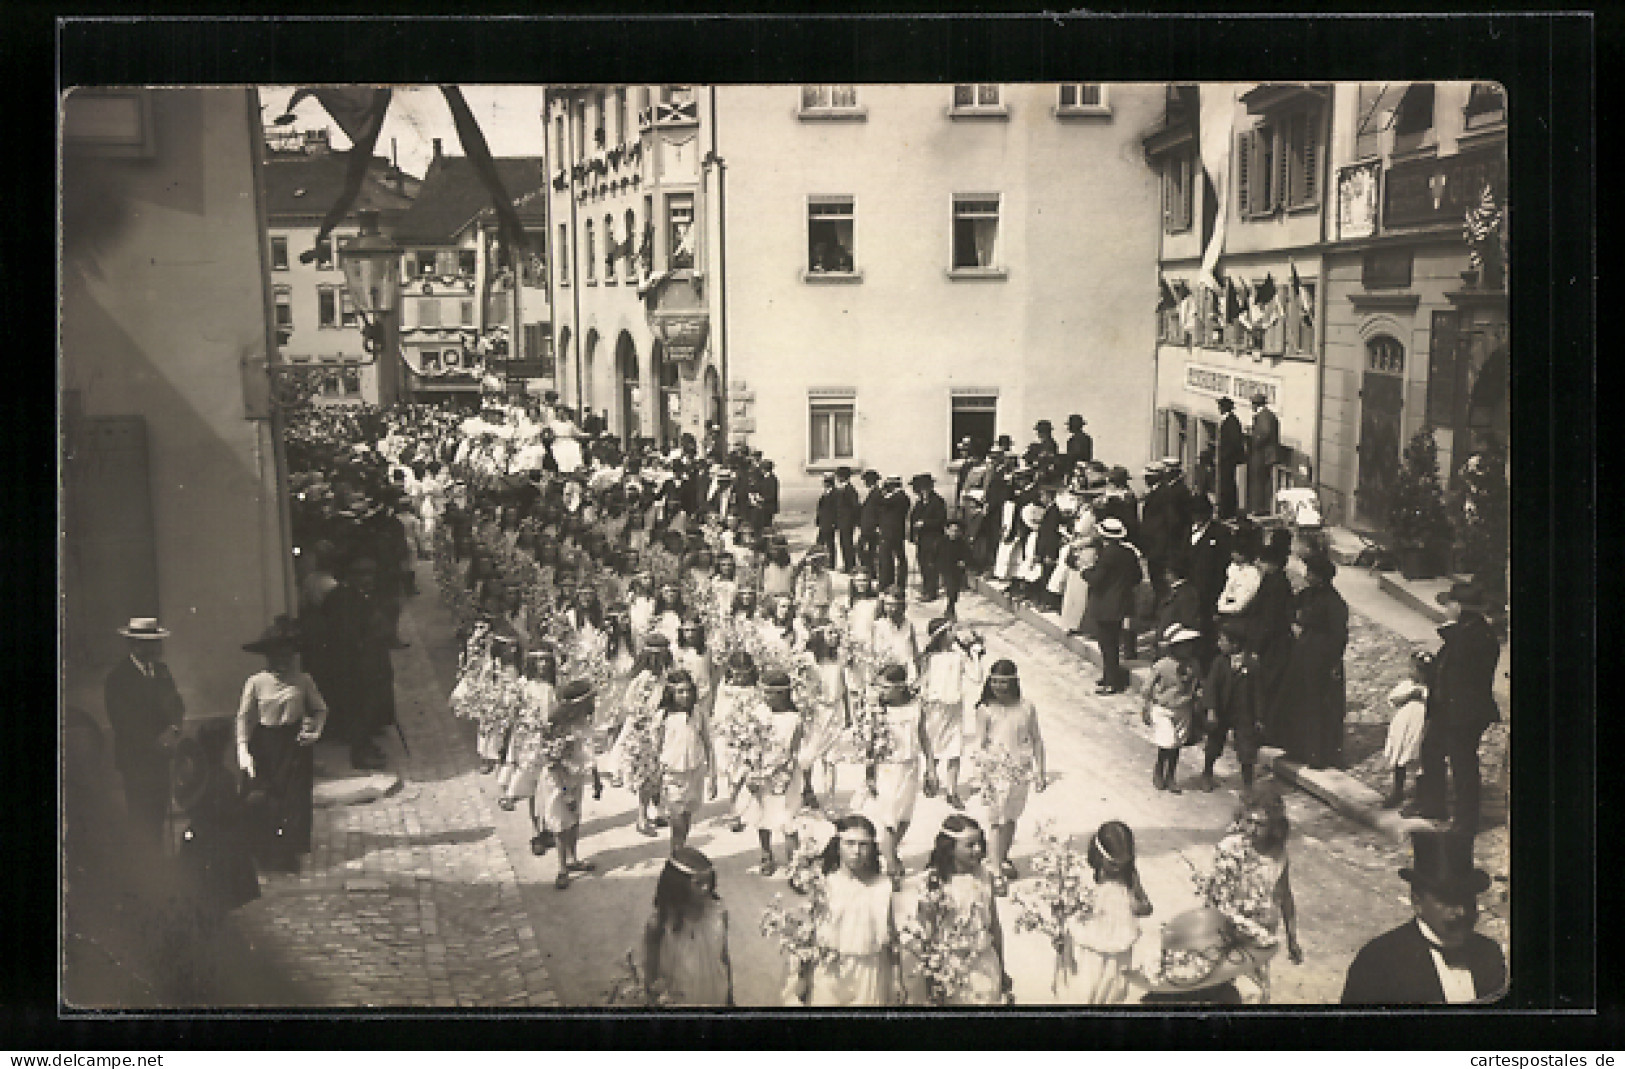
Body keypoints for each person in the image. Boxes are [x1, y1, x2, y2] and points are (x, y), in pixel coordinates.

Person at [1342, 830, 1507, 1005]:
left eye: (1468, 899)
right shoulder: (1379, 961)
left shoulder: (1489, 953)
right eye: (1448, 900)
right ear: (1417, 901)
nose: (1462, 912)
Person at [1405, 582, 1503, 837]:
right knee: (1431, 750)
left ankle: (1465, 823)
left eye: (1449, 604)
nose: (1446, 608)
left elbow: (1465, 675)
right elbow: (1449, 670)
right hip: (1447, 708)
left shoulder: (1475, 637)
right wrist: (1429, 665)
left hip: (1464, 714)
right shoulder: (1465, 632)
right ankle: (1433, 805)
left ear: (1458, 607)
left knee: (1463, 766)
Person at [235, 616, 326, 871]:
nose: (283, 660)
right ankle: (265, 852)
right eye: (277, 655)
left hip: (295, 745)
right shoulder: (255, 682)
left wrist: (314, 731)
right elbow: (243, 717)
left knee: (294, 799)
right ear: (268, 656)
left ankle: (289, 853)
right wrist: (243, 749)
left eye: (288, 654)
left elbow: (320, 709)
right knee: (266, 797)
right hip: (265, 744)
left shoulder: (303, 680)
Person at [902, 814, 1010, 1005]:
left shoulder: (985, 876)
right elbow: (926, 933)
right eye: (970, 845)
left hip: (985, 965)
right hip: (948, 970)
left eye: (980, 843)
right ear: (950, 848)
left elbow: (994, 926)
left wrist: (1002, 967)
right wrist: (931, 978)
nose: (977, 850)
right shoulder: (933, 882)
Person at [795, 815, 898, 1007]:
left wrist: (897, 977)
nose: (856, 851)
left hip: (868, 971)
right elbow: (807, 936)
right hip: (828, 969)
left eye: (863, 845)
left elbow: (892, 936)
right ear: (837, 845)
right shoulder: (823, 883)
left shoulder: (882, 885)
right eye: (849, 843)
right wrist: (803, 977)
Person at [104, 617, 185, 852]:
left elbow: (175, 704)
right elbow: (122, 721)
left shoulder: (161, 671)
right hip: (136, 760)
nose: (156, 649)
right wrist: (153, 743)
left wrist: (173, 729)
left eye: (157, 642)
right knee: (141, 815)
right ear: (134, 645)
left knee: (159, 810)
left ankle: (158, 860)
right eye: (150, 643)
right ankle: (144, 866)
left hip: (161, 758)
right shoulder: (118, 678)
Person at [972, 660, 1048, 896]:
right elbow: (980, 743)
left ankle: (1002, 858)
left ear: (1013, 682)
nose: (999, 687)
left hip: (1020, 770)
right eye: (994, 682)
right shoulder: (985, 709)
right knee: (995, 820)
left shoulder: (1027, 707)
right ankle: (995, 872)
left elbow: (1036, 739)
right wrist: (983, 771)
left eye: (1004, 683)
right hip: (995, 771)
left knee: (1011, 817)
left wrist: (1040, 771)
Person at [170, 719, 261, 914]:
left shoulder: (196, 775)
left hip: (198, 840)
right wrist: (249, 802)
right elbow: (227, 813)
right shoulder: (222, 777)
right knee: (219, 896)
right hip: (220, 844)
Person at [1059, 820, 1153, 1004]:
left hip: (1106, 950)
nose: (1118, 868)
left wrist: (1131, 906)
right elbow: (1146, 908)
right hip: (1104, 952)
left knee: (1100, 993)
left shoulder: (1125, 878)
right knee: (1098, 994)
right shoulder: (1106, 881)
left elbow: (1146, 907)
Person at [321, 556, 397, 771]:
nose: (368, 579)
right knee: (357, 711)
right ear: (351, 577)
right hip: (353, 666)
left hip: (368, 664)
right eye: (363, 575)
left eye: (370, 574)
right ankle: (360, 754)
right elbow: (347, 636)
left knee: (367, 710)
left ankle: (366, 745)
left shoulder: (362, 597)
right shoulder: (343, 599)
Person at [639, 848, 734, 1006]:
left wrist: (729, 996)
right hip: (678, 1000)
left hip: (715, 994)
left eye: (708, 881)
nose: (706, 888)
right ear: (678, 886)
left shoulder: (718, 914)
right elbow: (650, 972)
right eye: (698, 883)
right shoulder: (660, 924)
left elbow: (723, 957)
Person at [1282, 552, 1350, 768]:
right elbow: (1290, 609)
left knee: (1319, 705)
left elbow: (1339, 636)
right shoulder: (1307, 595)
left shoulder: (1334, 602)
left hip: (1321, 657)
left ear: (1322, 577)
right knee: (1298, 700)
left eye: (1311, 573)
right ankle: (1297, 749)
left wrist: (1333, 663)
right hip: (1303, 653)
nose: (1307, 576)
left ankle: (1318, 754)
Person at [741, 670, 805, 877]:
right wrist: (751, 771)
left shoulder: (795, 718)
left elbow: (795, 750)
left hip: (786, 774)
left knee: (789, 818)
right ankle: (766, 853)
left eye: (771, 693)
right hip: (762, 772)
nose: (765, 697)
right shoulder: (758, 714)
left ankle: (794, 861)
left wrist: (786, 772)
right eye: (764, 692)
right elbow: (750, 744)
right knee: (763, 815)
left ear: (783, 694)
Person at [918, 617, 984, 810]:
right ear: (941, 636)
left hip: (954, 708)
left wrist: (975, 656)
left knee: (954, 750)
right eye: (950, 631)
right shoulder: (929, 658)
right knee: (935, 746)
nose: (954, 635)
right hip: (935, 708)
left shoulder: (959, 656)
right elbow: (923, 682)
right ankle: (930, 774)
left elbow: (977, 678)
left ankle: (952, 792)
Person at [1197, 621, 1264, 793]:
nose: (1219, 643)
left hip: (1243, 712)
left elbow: (1258, 693)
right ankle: (1207, 773)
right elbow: (1211, 687)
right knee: (1214, 743)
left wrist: (1259, 716)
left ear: (1235, 644)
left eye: (1223, 640)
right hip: (1221, 710)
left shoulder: (1252, 664)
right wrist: (1211, 710)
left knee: (1246, 749)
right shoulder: (1219, 663)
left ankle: (1248, 786)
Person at [656, 669, 715, 855]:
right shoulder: (663, 716)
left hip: (695, 770)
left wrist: (712, 775)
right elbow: (655, 747)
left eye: (689, 690)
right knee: (677, 814)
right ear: (671, 693)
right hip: (672, 772)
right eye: (680, 691)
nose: (686, 695)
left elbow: (708, 744)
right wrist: (655, 778)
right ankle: (676, 849)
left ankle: (680, 848)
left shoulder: (699, 714)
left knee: (687, 812)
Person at [1141, 626, 1203, 793]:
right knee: (1167, 742)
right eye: (1183, 645)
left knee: (1177, 744)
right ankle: (1159, 769)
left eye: (1189, 645)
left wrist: (1197, 695)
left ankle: (1171, 776)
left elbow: (1196, 684)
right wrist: (1146, 706)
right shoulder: (1162, 666)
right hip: (1164, 708)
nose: (1187, 648)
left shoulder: (1193, 665)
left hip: (1183, 708)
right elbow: (1147, 688)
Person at [1083, 518, 1140, 695]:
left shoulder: (1107, 555)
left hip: (1107, 604)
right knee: (1113, 642)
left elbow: (1096, 579)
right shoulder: (1128, 553)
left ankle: (1112, 681)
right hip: (1122, 602)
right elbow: (1137, 577)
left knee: (1107, 644)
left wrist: (1084, 571)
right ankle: (1109, 676)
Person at [800, 622, 851, 812]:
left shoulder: (839, 658)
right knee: (809, 755)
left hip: (835, 711)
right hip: (816, 711)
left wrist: (848, 713)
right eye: (830, 633)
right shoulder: (808, 660)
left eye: (836, 633)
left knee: (831, 758)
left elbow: (843, 686)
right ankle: (807, 790)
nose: (834, 637)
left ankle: (830, 800)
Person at [1382, 652, 1434, 809]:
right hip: (1402, 727)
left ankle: (1420, 795)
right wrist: (1410, 695)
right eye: (1414, 669)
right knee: (1399, 757)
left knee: (1419, 760)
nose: (1415, 673)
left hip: (1418, 728)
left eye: (1420, 671)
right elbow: (1394, 699)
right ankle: (1397, 790)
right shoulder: (1407, 686)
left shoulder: (1430, 690)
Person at [869, 586, 921, 685]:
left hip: (908, 674)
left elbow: (915, 653)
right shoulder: (878, 626)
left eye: (894, 605)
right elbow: (875, 653)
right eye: (887, 604)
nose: (891, 609)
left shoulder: (908, 625)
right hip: (887, 674)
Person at [908, 473, 948, 602]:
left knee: (931, 565)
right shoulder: (920, 503)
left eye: (922, 488)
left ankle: (931, 591)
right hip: (922, 538)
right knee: (923, 564)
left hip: (934, 538)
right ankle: (926, 588)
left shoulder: (938, 501)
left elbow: (941, 520)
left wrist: (924, 523)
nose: (919, 492)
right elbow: (913, 517)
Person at [876, 475, 911, 592]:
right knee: (894, 557)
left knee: (888, 558)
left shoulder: (898, 497)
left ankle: (889, 582)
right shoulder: (897, 497)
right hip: (893, 531)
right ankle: (892, 582)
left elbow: (881, 503)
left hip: (892, 532)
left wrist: (882, 493)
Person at [1247, 393, 1280, 518]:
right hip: (1265, 454)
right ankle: (1260, 508)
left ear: (1256, 404)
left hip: (1262, 454)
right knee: (1261, 481)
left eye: (1253, 404)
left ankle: (1260, 509)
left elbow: (1265, 432)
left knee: (1259, 481)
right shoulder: (1266, 415)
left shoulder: (1264, 416)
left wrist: (1255, 439)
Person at [1216, 397, 1247, 520]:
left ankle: (1227, 511)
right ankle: (1225, 509)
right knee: (1225, 484)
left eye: (1220, 406)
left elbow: (1234, 442)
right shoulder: (1227, 420)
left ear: (1225, 408)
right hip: (1226, 459)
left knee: (1227, 484)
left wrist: (1225, 456)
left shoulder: (1232, 422)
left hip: (1229, 460)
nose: (1219, 409)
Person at [936, 517, 970, 620]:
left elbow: (968, 556)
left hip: (957, 571)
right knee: (950, 589)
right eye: (952, 530)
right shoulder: (942, 542)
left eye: (956, 531)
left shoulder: (962, 544)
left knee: (954, 591)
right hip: (945, 569)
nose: (954, 533)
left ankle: (950, 607)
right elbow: (935, 554)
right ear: (947, 531)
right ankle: (950, 609)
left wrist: (964, 562)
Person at [833, 466, 863, 574]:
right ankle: (847, 565)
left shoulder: (850, 490)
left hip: (847, 522)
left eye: (838, 476)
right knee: (843, 543)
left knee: (847, 544)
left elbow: (855, 507)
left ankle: (851, 566)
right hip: (842, 522)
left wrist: (852, 521)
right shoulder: (842, 489)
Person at [858, 470, 884, 576]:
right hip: (868, 527)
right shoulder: (873, 493)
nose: (864, 483)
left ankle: (870, 571)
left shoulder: (877, 494)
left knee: (867, 550)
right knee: (867, 550)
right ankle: (870, 570)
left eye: (866, 480)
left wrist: (877, 526)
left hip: (871, 528)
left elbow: (879, 512)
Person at [814, 473, 839, 563]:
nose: (824, 484)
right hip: (823, 522)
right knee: (820, 542)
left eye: (826, 482)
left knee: (829, 543)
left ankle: (831, 563)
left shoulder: (835, 493)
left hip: (829, 522)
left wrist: (834, 523)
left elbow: (836, 510)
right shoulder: (826, 492)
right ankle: (819, 561)